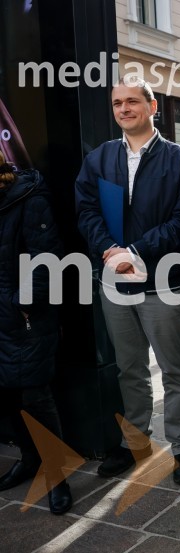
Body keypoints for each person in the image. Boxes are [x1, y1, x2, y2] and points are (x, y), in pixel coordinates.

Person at [75, 77, 180, 484]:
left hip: (163, 281)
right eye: (117, 103)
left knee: (175, 369)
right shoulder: (100, 158)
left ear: (152, 106)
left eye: (133, 101)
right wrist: (110, 250)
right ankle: (136, 443)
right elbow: (86, 210)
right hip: (115, 281)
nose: (124, 109)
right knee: (129, 368)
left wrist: (137, 251)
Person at [0, 153, 72, 515]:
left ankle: (57, 473)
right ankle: (29, 460)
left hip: (23, 316)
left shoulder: (28, 197)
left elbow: (49, 259)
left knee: (35, 395)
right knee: (8, 395)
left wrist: (21, 303)